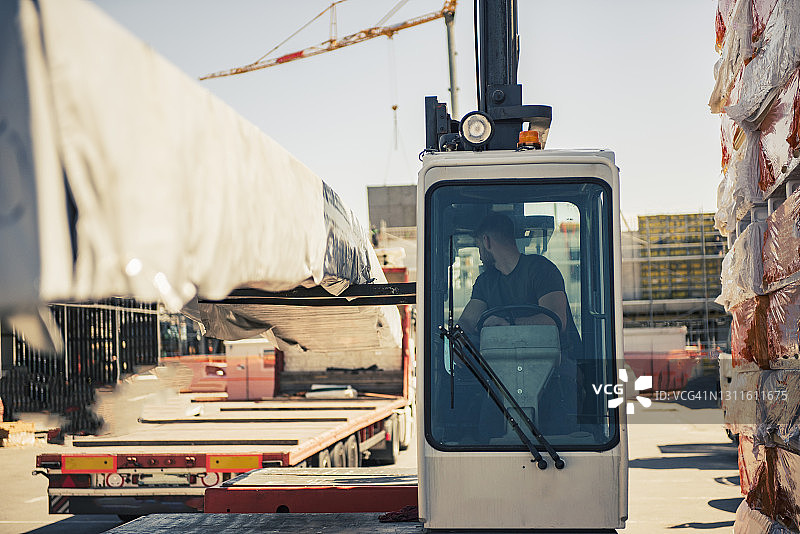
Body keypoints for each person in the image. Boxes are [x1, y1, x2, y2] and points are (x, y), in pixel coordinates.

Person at [457, 212, 581, 434]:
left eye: (478, 247)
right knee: (487, 434)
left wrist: (508, 324)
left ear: (486, 241)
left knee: (559, 437)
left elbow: (555, 320)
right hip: (501, 376)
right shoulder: (485, 282)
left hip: (555, 374)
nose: (480, 255)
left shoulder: (541, 269)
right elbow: (467, 321)